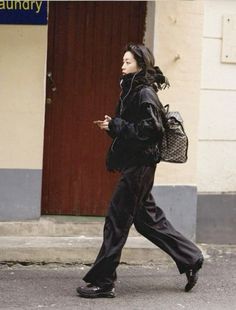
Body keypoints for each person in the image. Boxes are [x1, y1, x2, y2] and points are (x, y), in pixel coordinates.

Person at [76, 43, 204, 298]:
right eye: (122, 61)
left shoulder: (143, 91)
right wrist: (113, 126)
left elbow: (151, 130)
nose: (122, 66)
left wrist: (120, 125)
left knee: (117, 220)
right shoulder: (133, 90)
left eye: (127, 62)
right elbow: (135, 128)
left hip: (140, 167)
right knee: (147, 221)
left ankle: (104, 282)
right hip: (138, 165)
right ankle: (191, 258)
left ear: (140, 64)